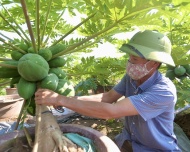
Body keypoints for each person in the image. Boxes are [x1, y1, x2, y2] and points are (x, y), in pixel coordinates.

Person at [35, 30, 181, 151]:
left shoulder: (163, 92)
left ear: (154, 63)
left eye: (135, 59)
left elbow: (111, 111)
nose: (130, 62)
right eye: (129, 57)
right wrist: (66, 100)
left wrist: (60, 100)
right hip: (128, 142)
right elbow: (107, 97)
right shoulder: (132, 78)